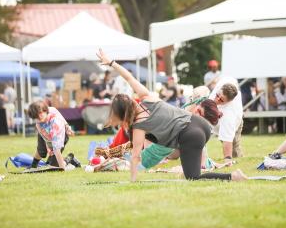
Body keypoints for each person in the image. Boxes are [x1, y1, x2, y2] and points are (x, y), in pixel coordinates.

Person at [96, 49, 247, 182]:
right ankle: (203, 167)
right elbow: (129, 78)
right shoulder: (147, 97)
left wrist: (133, 180)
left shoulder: (139, 127)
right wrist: (111, 63)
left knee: (193, 177)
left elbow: (136, 156)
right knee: (190, 167)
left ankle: (233, 176)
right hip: (199, 125)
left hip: (191, 135)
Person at [27, 100, 73, 169]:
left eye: (40, 113)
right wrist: (48, 146)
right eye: (36, 117)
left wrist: (62, 168)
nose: (39, 117)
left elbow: (56, 147)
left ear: (46, 110)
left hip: (59, 135)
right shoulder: (39, 123)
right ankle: (33, 165)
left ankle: (68, 159)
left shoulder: (56, 123)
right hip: (46, 132)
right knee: (41, 150)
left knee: (53, 165)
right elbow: (44, 137)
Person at [210, 78, 244, 159]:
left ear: (229, 101)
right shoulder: (222, 84)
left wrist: (227, 159)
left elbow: (227, 140)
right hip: (217, 120)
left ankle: (239, 158)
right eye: (217, 95)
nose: (217, 99)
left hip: (236, 123)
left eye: (221, 100)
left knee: (234, 148)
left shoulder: (230, 113)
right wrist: (215, 109)